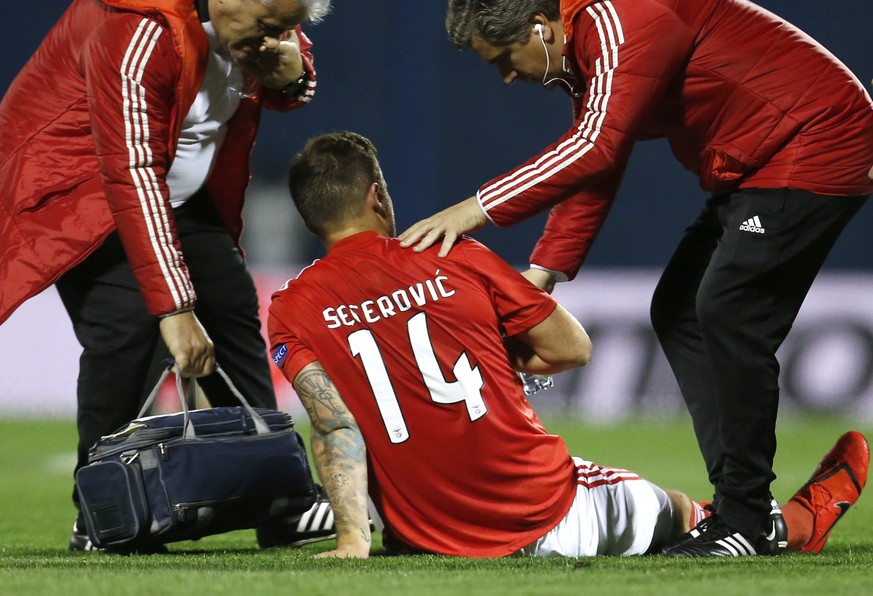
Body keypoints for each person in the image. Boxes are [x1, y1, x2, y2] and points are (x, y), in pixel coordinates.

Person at [398, 0, 873, 556]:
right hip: (765, 157)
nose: (507, 75)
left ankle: (742, 519)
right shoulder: (589, 40)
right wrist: (544, 271)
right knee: (680, 311)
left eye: (504, 57)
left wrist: (473, 209)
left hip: (813, 139)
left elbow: (595, 149)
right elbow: (602, 158)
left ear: (537, 26)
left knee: (725, 308)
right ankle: (748, 512)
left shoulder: (619, 17)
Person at [267, 131, 869, 558]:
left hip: (424, 534)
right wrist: (484, 352)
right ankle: (791, 525)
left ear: (309, 219)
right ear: (377, 195)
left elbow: (333, 427)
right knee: (690, 516)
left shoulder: (290, 307)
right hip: (545, 516)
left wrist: (352, 540)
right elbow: (572, 348)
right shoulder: (449, 252)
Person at [0, 0, 331, 550]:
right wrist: (175, 309)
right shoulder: (133, 26)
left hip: (176, 189)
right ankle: (105, 512)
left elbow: (280, 77)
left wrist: (296, 77)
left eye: (285, 29)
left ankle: (278, 500)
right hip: (82, 192)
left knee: (229, 307)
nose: (276, 40)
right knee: (127, 324)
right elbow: (130, 172)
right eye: (270, 27)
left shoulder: (253, 19)